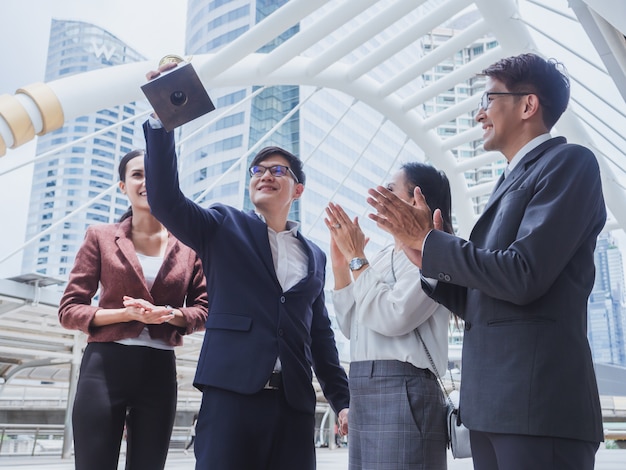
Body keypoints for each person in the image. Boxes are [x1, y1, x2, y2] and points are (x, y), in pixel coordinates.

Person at [366, 53, 605, 470]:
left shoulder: (569, 164)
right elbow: (486, 300)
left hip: (538, 406)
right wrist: (421, 252)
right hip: (491, 407)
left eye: (489, 98)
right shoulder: (506, 182)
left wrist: (432, 242)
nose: (480, 113)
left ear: (528, 105)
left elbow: (523, 275)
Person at [141, 63, 350, 470]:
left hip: (294, 406)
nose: (265, 176)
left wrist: (342, 400)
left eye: (278, 171)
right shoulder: (222, 225)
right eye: (258, 170)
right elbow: (166, 201)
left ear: (298, 189)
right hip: (231, 395)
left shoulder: (315, 256)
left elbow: (320, 335)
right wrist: (161, 119)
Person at [58, 149, 209, 470]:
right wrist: (128, 315)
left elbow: (205, 310)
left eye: (155, 175)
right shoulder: (99, 237)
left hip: (158, 370)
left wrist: (169, 313)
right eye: (137, 175)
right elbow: (70, 309)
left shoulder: (190, 248)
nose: (147, 182)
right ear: (122, 186)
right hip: (104, 367)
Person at [325, 162, 452, 469]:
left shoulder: (434, 251)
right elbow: (352, 325)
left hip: (403, 388)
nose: (381, 194)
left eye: (391, 189)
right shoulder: (383, 256)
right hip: (366, 386)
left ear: (415, 199)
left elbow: (393, 316)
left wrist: (357, 258)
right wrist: (342, 267)